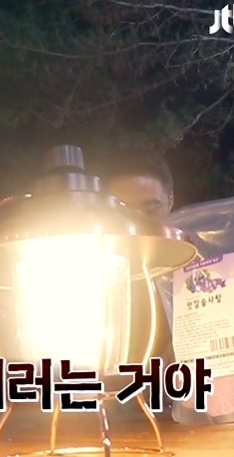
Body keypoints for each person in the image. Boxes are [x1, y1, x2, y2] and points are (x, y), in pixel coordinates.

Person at [99, 148, 176, 419]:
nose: (137, 222)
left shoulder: (199, 264)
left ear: (170, 200)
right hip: (108, 417)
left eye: (150, 208)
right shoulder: (91, 272)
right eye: (123, 210)